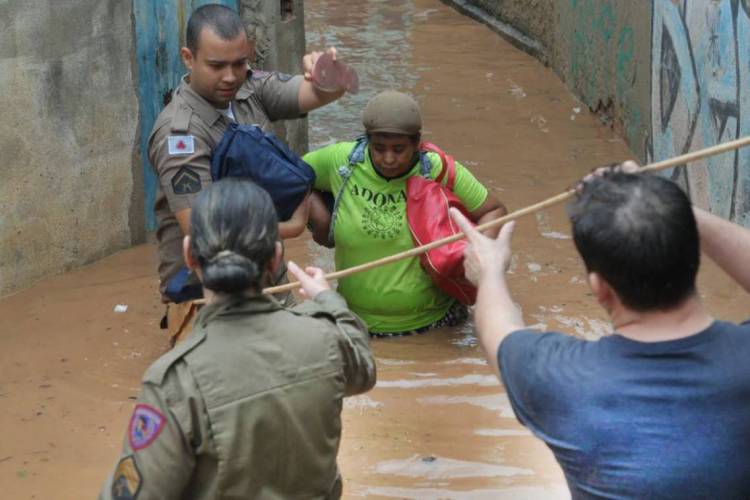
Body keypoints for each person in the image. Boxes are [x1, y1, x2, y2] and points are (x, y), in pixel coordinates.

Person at [451, 167, 750, 499]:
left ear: (599, 289)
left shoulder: (560, 379)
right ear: (693, 253)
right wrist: (659, 205)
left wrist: (490, 270)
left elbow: (497, 326)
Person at [99, 178, 376, 499]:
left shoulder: (174, 383)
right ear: (275, 258)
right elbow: (363, 367)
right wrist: (327, 299)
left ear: (190, 255)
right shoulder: (326, 337)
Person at [150, 4, 350, 339]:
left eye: (239, 63)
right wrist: (291, 226)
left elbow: (319, 92)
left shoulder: (250, 88)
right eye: (216, 66)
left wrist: (332, 76)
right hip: (208, 293)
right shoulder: (180, 135)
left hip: (267, 276)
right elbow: (203, 230)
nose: (230, 76)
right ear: (188, 58)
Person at [303, 90, 507, 336]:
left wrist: (473, 252)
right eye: (379, 148)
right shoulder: (342, 163)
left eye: (399, 149)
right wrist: (322, 223)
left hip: (436, 327)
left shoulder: (438, 170)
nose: (388, 158)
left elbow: (495, 211)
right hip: (354, 325)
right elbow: (289, 175)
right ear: (367, 141)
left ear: (417, 143)